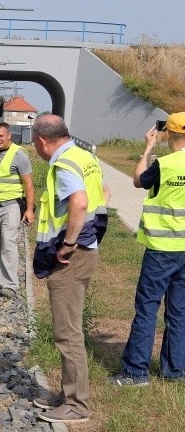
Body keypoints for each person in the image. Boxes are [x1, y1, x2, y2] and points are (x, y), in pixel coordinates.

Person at [30, 114, 108, 424]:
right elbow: (104, 192)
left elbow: (80, 202)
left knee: (67, 332)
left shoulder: (62, 165)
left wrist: (69, 244)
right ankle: (67, 394)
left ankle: (77, 405)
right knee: (69, 328)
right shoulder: (83, 155)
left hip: (71, 259)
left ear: (41, 142)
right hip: (88, 252)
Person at [109, 113, 185, 386]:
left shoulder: (164, 164)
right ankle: (174, 370)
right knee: (179, 312)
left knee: (147, 308)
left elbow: (138, 180)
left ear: (169, 135)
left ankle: (135, 372)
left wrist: (148, 148)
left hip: (162, 249)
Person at [0, 122, 35, 298]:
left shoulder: (19, 155)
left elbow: (28, 184)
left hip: (11, 206)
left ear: (9, 135)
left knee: (8, 243)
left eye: (1, 136)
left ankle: (10, 285)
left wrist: (29, 210)